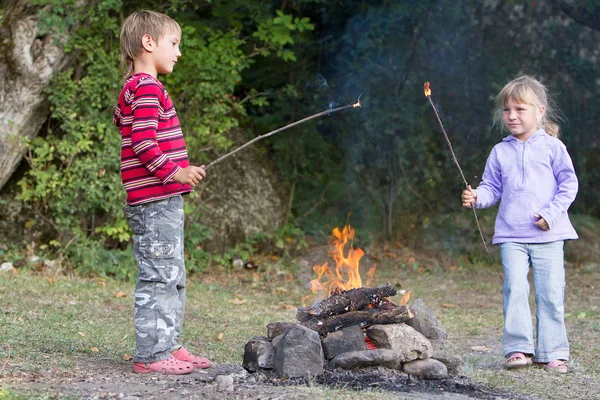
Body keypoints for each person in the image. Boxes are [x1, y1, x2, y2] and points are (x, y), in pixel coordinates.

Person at [114, 10, 211, 375]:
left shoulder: (138, 87)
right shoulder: (146, 87)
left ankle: (170, 344)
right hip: (154, 202)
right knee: (158, 276)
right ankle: (151, 356)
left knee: (172, 273)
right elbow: (143, 143)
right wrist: (177, 172)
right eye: (174, 43)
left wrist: (178, 174)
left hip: (162, 201)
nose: (178, 52)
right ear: (148, 43)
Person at [461, 75, 578, 374]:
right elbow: (492, 187)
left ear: (539, 111)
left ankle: (553, 352)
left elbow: (569, 185)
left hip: (548, 235)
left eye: (519, 109)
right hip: (511, 235)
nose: (512, 116)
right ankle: (518, 349)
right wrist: (477, 196)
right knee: (513, 288)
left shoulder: (553, 147)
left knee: (550, 293)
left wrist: (550, 215)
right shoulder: (500, 151)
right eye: (507, 110)